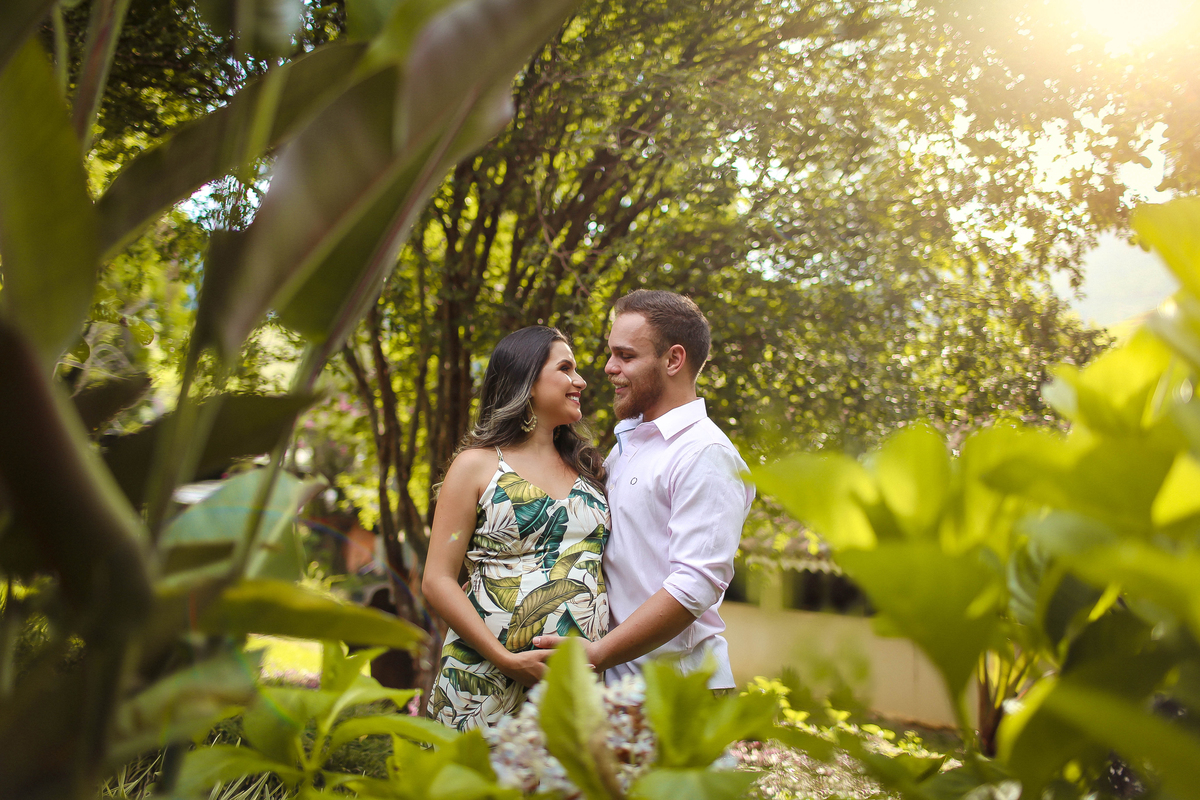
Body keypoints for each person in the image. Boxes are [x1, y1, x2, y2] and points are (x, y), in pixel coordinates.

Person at [534, 290, 754, 691]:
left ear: (673, 360)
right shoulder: (630, 446)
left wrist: (598, 654)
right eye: (611, 354)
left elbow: (695, 584)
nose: (608, 368)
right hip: (619, 690)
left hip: (675, 694)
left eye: (626, 356)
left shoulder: (706, 453)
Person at [424, 326, 610, 731]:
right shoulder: (476, 466)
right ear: (526, 381)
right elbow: (437, 578)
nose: (580, 381)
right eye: (566, 368)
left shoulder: (591, 468)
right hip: (484, 680)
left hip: (573, 687)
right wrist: (506, 659)